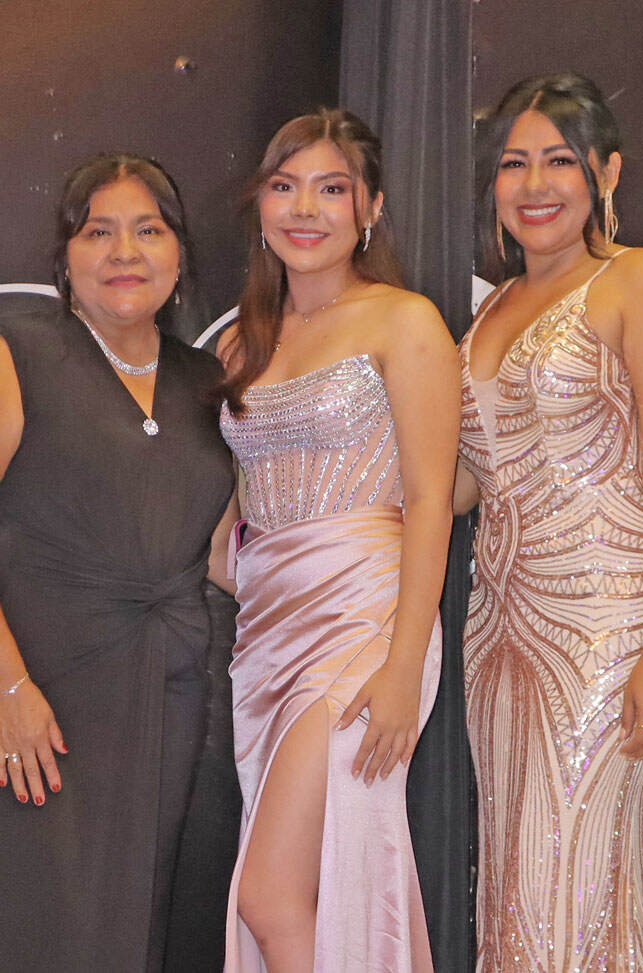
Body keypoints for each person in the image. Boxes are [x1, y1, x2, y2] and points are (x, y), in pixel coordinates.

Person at [0, 153, 237, 971]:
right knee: (49, 930)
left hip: (168, 695)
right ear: (65, 257)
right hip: (43, 703)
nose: (125, 252)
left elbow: (220, 552)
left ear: (179, 253)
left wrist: (343, 598)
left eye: (148, 230)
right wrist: (10, 690)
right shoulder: (18, 354)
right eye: (99, 232)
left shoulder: (205, 382)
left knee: (140, 929)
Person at [455, 74, 643, 971]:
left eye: (559, 161)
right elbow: (466, 481)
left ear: (606, 171)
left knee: (564, 879)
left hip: (610, 624)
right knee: (517, 893)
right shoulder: (489, 309)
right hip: (500, 633)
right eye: (513, 164)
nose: (534, 185)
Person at [216, 108, 460, 972]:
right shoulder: (243, 340)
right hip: (266, 637)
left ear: (371, 208)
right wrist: (237, 561)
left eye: (331, 188)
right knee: (298, 890)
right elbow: (247, 490)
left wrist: (403, 665)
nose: (304, 209)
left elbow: (431, 499)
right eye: (284, 186)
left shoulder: (404, 321)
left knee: (269, 895)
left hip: (365, 625)